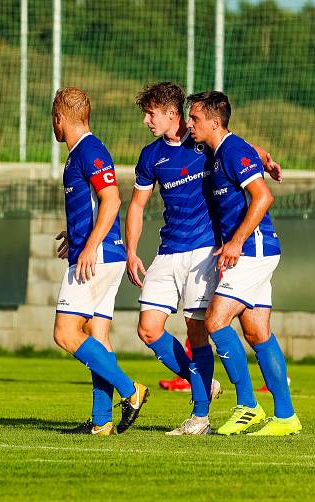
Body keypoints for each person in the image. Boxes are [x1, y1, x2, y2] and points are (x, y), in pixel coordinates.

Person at [126, 82, 281, 435]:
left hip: (204, 251)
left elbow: (236, 147)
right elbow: (136, 205)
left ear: (171, 113)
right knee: (148, 329)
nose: (147, 121)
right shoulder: (150, 156)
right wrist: (132, 250)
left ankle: (200, 416)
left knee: (198, 331)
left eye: (151, 113)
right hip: (168, 250)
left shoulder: (202, 143)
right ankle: (205, 384)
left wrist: (264, 159)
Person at [185, 90, 300, 436]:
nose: (191, 124)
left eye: (195, 118)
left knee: (216, 322)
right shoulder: (222, 151)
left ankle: (248, 405)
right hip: (251, 250)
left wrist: (235, 242)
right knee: (256, 331)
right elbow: (248, 151)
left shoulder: (231, 151)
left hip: (253, 249)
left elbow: (264, 197)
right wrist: (263, 156)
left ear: (215, 122)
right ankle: (285, 417)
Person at [51, 87, 149, 436]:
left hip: (98, 256)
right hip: (99, 252)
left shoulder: (89, 149)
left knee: (65, 333)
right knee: (97, 335)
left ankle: (130, 390)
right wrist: (75, 233)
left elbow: (112, 199)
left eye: (53, 119)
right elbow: (94, 203)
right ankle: (101, 420)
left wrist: (90, 245)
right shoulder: (80, 152)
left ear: (59, 118)